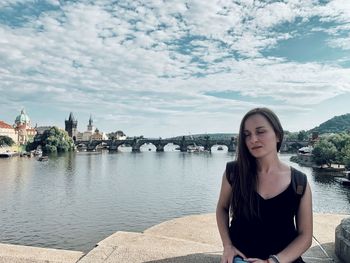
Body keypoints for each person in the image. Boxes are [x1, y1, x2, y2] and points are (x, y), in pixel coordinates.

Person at [216, 107, 313, 263]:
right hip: (241, 259)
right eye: (247, 135)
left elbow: (305, 236)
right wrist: (227, 246)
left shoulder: (299, 182)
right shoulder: (233, 172)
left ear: (278, 136)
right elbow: (222, 208)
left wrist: (273, 261)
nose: (253, 139)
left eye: (260, 132)